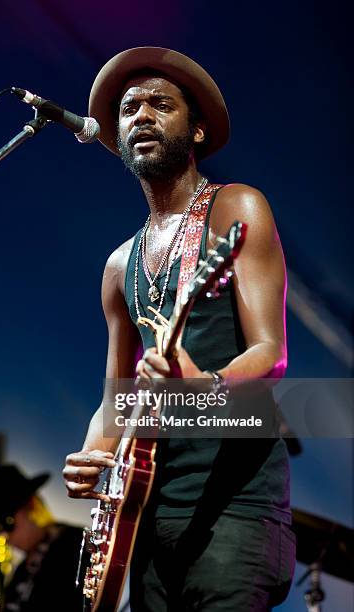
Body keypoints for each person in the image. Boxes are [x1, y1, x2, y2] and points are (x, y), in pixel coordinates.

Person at [63, 47, 296, 610]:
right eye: (129, 108)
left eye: (159, 105)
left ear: (195, 131)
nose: (140, 115)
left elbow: (272, 352)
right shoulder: (120, 266)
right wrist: (95, 455)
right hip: (143, 515)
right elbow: (116, 396)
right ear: (115, 137)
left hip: (234, 509)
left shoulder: (236, 206)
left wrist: (202, 383)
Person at [0, 464, 83, 611]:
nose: (5, 536)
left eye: (7, 523)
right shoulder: (21, 572)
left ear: (32, 505)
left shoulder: (75, 544)